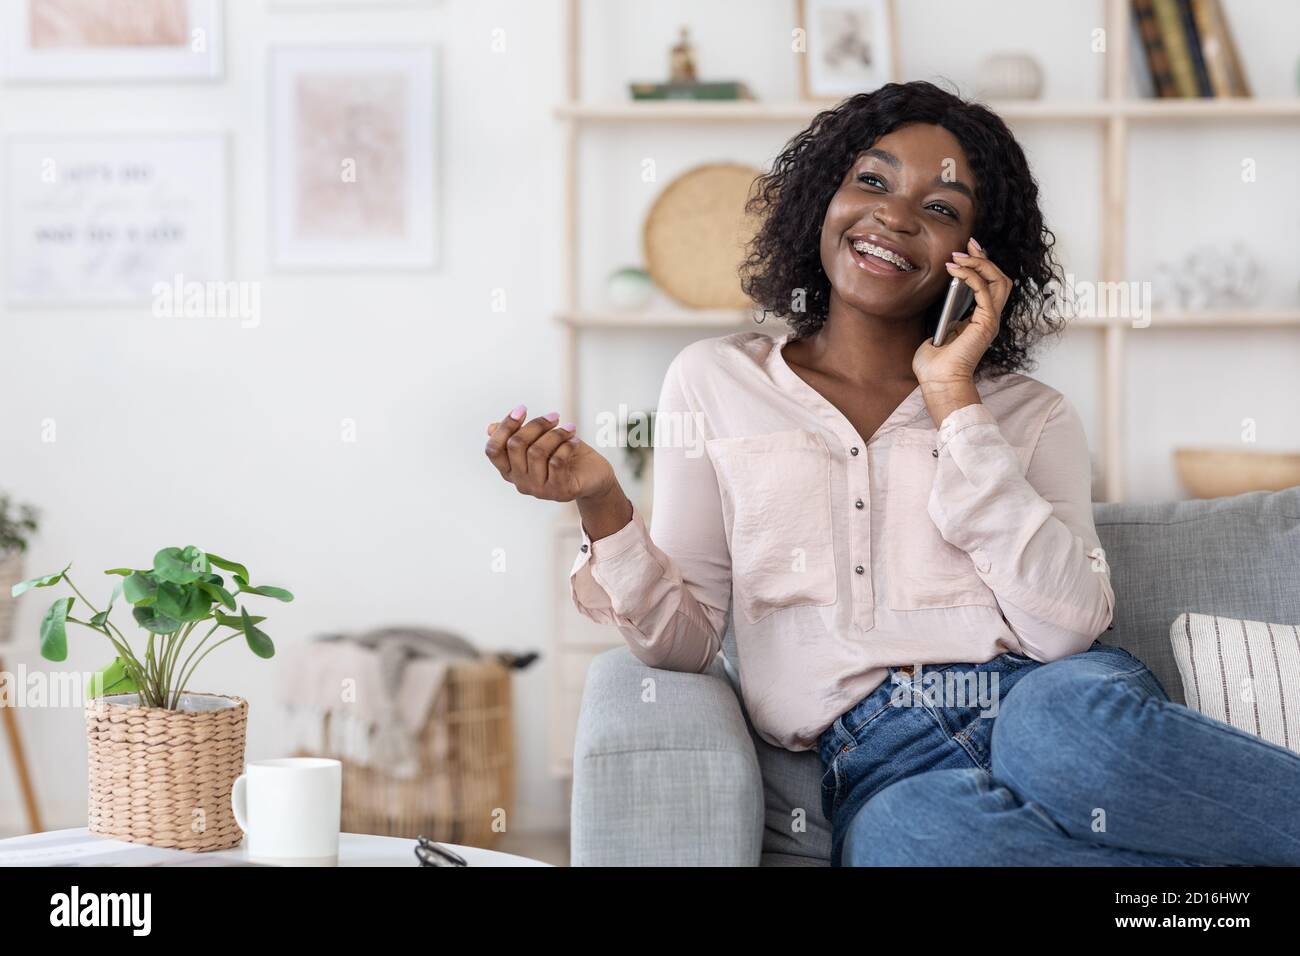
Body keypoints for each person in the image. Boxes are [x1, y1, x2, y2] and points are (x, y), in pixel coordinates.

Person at [485, 81, 1300, 866]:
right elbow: (686, 643)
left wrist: (954, 400)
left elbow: (1064, 628)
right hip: (883, 765)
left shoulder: (1031, 413)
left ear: (976, 258)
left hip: (1040, 702)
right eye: (871, 180)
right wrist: (603, 505)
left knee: (1060, 736)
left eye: (940, 208)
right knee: (910, 840)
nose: (894, 215)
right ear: (823, 201)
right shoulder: (713, 382)